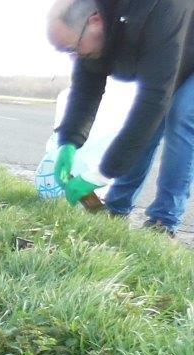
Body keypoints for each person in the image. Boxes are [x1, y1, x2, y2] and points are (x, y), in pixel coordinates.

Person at [47, 0, 194, 236]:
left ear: (95, 20)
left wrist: (102, 173)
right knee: (147, 129)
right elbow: (84, 92)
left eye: (73, 48)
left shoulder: (161, 8)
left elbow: (154, 98)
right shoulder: (91, 37)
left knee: (180, 117)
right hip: (176, 61)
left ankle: (164, 222)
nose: (76, 57)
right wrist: (68, 142)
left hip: (185, 55)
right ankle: (117, 208)